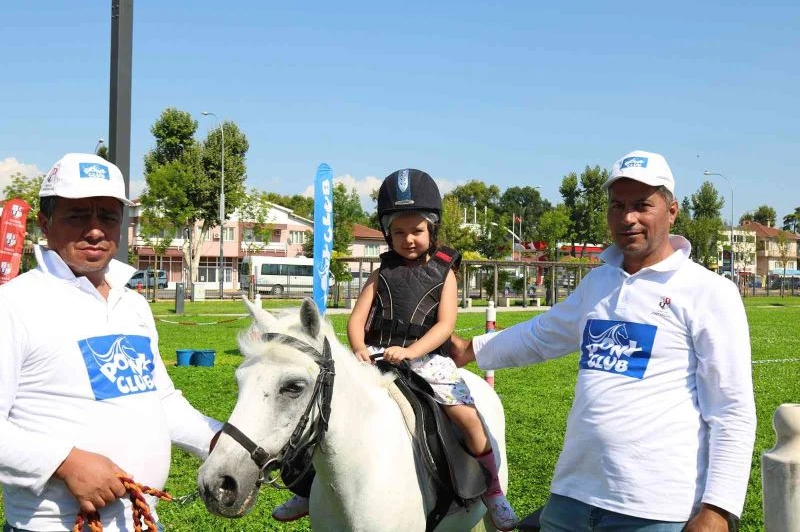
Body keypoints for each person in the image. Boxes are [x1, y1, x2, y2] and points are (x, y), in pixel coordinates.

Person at [449, 150, 757, 532]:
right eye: (618, 206)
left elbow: (731, 409)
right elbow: (541, 335)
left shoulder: (709, 291)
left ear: (672, 211)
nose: (628, 218)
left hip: (655, 512)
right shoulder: (599, 282)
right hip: (571, 499)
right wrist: (469, 350)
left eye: (642, 205)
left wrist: (718, 510)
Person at [271, 169, 519, 531]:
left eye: (416, 230)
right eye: (398, 232)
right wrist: (359, 348)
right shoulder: (381, 272)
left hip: (429, 360)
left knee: (468, 419)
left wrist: (412, 351)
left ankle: (493, 491)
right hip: (377, 355)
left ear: (432, 229)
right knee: (326, 411)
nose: (408, 239)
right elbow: (357, 320)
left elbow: (444, 326)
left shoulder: (445, 274)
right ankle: (309, 488)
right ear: (388, 234)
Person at [0, 153, 222, 532]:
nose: (95, 230)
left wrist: (219, 440)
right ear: (44, 224)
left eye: (108, 216)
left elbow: (160, 399)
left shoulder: (132, 304)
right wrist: (63, 462)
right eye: (77, 216)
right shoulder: (14, 305)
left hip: (142, 522)